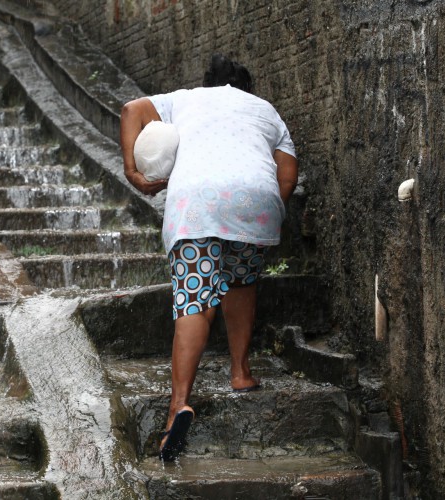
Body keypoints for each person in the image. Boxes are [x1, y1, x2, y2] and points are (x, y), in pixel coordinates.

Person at [120, 54, 298, 462]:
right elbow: (287, 175)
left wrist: (134, 173)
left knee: (195, 301)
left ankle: (177, 407)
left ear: (209, 83)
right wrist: (261, 214)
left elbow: (131, 110)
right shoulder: (266, 110)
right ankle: (241, 373)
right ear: (246, 88)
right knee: (240, 282)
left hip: (196, 202)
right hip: (257, 200)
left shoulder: (186, 99)